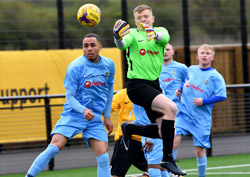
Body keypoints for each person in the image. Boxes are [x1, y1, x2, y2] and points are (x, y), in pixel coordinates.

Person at [25, 33, 115, 177]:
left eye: (93, 45)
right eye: (85, 46)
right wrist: (83, 109)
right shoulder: (75, 67)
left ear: (100, 47)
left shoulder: (109, 64)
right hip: (74, 114)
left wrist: (108, 116)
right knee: (54, 147)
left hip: (95, 118)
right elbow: (70, 97)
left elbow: (110, 90)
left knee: (103, 157)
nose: (89, 49)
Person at [113, 4, 186, 176]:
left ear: (152, 19)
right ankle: (168, 159)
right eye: (139, 18)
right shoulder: (132, 33)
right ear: (135, 21)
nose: (142, 20)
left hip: (153, 85)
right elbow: (122, 44)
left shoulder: (160, 31)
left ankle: (130, 129)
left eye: (146, 17)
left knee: (165, 132)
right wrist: (117, 37)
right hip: (137, 85)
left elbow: (163, 38)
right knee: (172, 108)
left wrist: (155, 34)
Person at [134, 44, 188, 177]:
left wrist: (181, 90)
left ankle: (172, 167)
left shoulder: (179, 69)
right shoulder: (142, 82)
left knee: (156, 161)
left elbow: (189, 81)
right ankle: (171, 167)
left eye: (168, 49)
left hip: (167, 115)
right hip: (153, 120)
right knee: (159, 161)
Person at [174, 44, 227, 177]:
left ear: (212, 57)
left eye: (207, 53)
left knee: (199, 151)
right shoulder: (191, 69)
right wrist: (180, 90)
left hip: (201, 118)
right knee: (173, 143)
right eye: (202, 53)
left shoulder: (216, 76)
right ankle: (172, 173)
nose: (204, 55)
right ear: (197, 56)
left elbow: (222, 95)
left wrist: (203, 101)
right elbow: (186, 82)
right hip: (184, 114)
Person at [110, 88, 148, 177]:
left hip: (137, 140)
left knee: (116, 174)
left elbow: (106, 110)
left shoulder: (123, 93)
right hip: (137, 139)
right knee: (156, 168)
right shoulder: (123, 94)